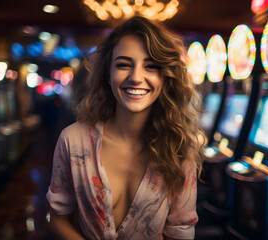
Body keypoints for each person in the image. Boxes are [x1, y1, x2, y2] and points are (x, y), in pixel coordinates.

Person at [46, 15, 206, 240]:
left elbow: (180, 232)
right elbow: (59, 218)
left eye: (151, 66)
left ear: (165, 77)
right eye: (123, 65)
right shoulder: (72, 139)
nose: (136, 77)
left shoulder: (181, 148)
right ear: (107, 75)